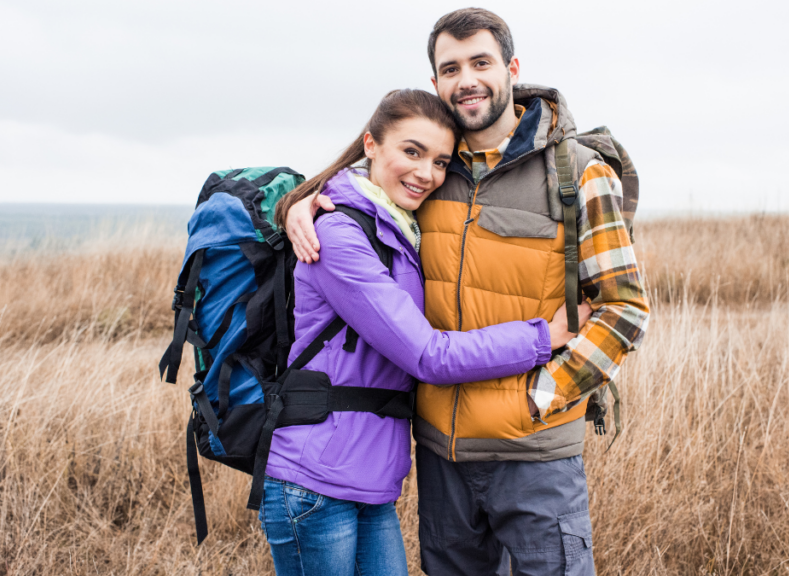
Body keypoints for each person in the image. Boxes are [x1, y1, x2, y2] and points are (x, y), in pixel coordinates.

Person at [283, 9, 651, 576]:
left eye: (481, 62)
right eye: (450, 68)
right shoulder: (433, 172)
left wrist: (544, 397)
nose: (466, 79)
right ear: (436, 83)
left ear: (512, 68)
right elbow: (362, 187)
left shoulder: (577, 172)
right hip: (441, 458)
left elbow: (624, 308)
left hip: (534, 456)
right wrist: (299, 205)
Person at [262, 88, 591, 576]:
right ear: (370, 145)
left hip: (368, 480)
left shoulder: (402, 226)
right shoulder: (336, 233)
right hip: (313, 480)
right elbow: (427, 355)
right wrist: (543, 337)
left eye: (440, 161)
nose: (426, 174)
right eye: (411, 152)